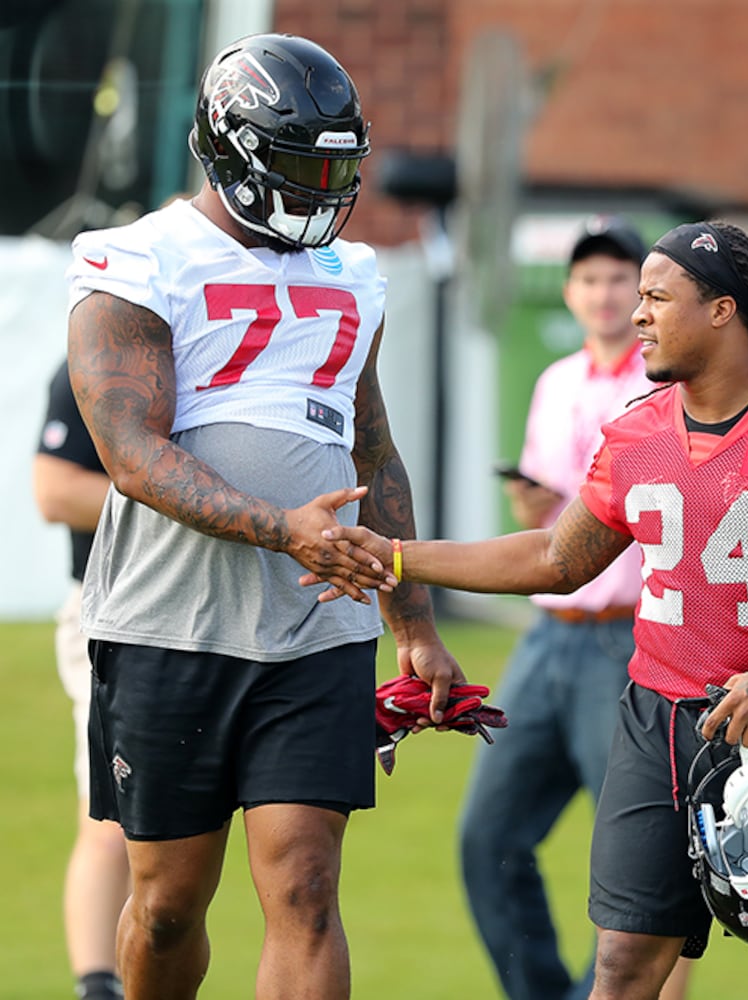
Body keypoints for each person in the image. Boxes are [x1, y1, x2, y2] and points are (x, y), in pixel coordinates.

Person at [311, 219, 748, 1000]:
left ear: (722, 310)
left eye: (655, 296)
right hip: (657, 724)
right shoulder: (637, 433)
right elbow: (553, 559)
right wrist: (392, 555)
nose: (636, 313)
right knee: (621, 964)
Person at [65, 32, 465, 1000]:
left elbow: (369, 447)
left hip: (313, 624)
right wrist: (286, 527)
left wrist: (411, 623)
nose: (323, 188)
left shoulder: (354, 274)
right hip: (169, 622)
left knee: (305, 883)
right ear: (233, 149)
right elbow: (133, 455)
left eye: (337, 166)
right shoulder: (135, 260)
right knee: (165, 904)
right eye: (300, 164)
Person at [460, 216, 692, 1000]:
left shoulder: (665, 385)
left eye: (619, 278)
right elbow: (551, 528)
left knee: (644, 853)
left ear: (643, 294)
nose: (603, 292)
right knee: (486, 837)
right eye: (588, 278)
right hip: (548, 634)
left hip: (629, 640)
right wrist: (535, 505)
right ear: (569, 291)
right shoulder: (556, 381)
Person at [34, 360, 128, 1000]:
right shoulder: (91, 362)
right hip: (109, 613)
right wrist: (191, 499)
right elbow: (56, 491)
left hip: (220, 616)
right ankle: (99, 987)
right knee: (113, 815)